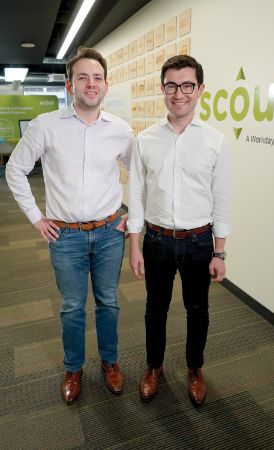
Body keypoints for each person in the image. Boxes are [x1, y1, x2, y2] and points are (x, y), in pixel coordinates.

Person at [6, 47, 133, 404]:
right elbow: (15, 170)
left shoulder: (120, 130)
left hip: (110, 233)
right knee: (72, 307)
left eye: (97, 78)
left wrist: (134, 214)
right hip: (65, 237)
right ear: (69, 85)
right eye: (83, 77)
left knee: (109, 302)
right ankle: (73, 368)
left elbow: (142, 172)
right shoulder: (45, 126)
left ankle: (110, 363)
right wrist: (35, 217)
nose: (90, 84)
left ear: (106, 86)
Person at [128, 55, 231, 406]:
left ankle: (194, 369)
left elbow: (222, 198)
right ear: (163, 89)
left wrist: (219, 252)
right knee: (154, 309)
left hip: (200, 241)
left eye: (187, 85)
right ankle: (153, 367)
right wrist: (135, 245)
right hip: (156, 240)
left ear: (200, 89)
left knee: (197, 309)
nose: (179, 94)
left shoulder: (215, 141)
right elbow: (136, 197)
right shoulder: (145, 140)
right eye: (172, 86)